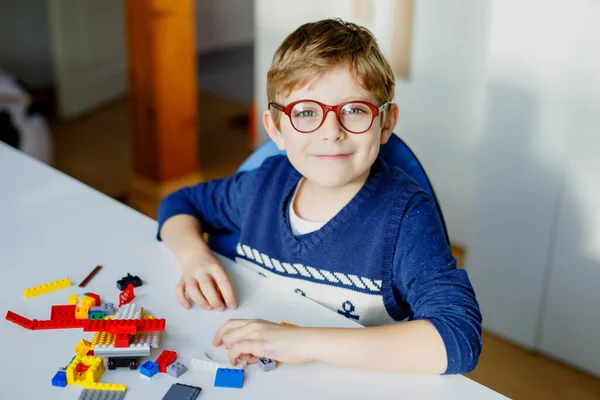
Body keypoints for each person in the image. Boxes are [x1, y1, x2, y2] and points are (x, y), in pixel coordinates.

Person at [157, 18, 482, 375]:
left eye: (355, 110)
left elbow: (459, 339)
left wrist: (298, 342)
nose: (331, 132)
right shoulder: (262, 187)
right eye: (307, 112)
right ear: (275, 129)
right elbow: (180, 203)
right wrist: (194, 257)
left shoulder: (406, 217)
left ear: (386, 123)